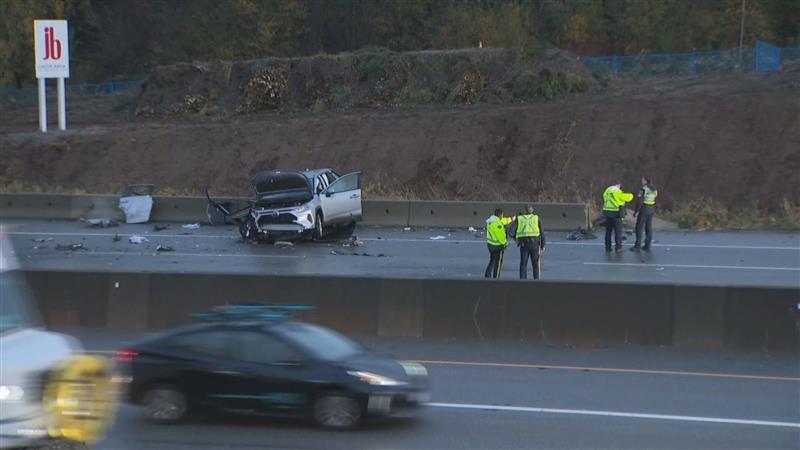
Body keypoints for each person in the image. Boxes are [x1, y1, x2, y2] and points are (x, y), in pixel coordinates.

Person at [602, 181, 633, 253]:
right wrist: (631, 195)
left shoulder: (607, 191)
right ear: (618, 185)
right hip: (616, 214)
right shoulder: (617, 191)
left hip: (607, 213)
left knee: (608, 232)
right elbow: (627, 198)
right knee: (618, 232)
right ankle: (618, 248)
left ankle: (608, 247)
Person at [515, 205, 546, 280]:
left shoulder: (520, 218)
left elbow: (511, 232)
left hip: (524, 244)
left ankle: (522, 281)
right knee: (535, 264)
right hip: (534, 244)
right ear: (532, 211)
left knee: (523, 264)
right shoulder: (536, 218)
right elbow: (542, 233)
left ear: (525, 211)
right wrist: (543, 245)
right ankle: (536, 280)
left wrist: (517, 240)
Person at [631, 176, 658, 252]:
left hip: (644, 209)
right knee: (648, 228)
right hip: (651, 209)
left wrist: (636, 211)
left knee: (639, 227)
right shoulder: (654, 189)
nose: (641, 181)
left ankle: (637, 246)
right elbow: (655, 198)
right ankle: (647, 245)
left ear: (646, 181)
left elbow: (639, 201)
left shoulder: (643, 189)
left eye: (642, 180)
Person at [484, 208, 513, 278]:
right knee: (498, 263)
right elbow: (501, 237)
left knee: (492, 260)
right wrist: (505, 243)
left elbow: (503, 221)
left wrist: (511, 219)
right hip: (497, 246)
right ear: (500, 215)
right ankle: (496, 277)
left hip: (490, 245)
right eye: (502, 215)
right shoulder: (497, 224)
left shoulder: (491, 220)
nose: (503, 216)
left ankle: (487, 275)